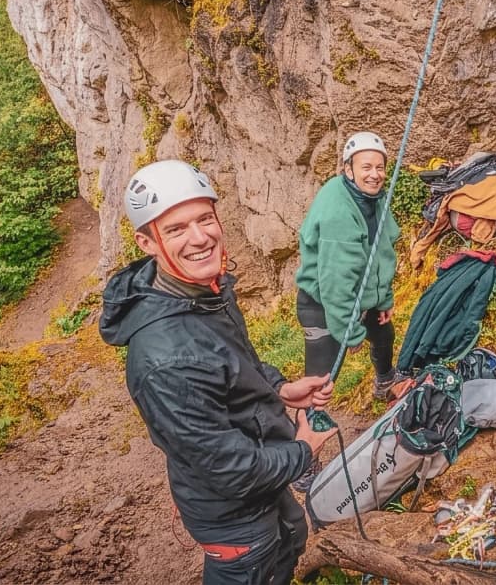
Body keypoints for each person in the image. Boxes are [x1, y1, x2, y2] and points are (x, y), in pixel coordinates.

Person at [99, 159, 335, 585]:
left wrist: (280, 388)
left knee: (291, 540)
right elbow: (231, 470)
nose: (200, 237)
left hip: (263, 474)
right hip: (235, 513)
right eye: (176, 229)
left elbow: (235, 361)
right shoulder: (165, 360)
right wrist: (303, 449)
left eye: (205, 219)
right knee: (257, 565)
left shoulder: (202, 290)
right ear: (146, 242)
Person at [295, 131, 401, 396]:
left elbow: (381, 251)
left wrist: (383, 299)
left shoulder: (372, 200)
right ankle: (306, 430)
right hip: (321, 304)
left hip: (359, 297)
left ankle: (386, 382)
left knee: (383, 335)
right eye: (366, 167)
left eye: (380, 167)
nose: (374, 174)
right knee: (320, 381)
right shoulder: (338, 212)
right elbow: (335, 283)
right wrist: (348, 330)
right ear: (348, 170)